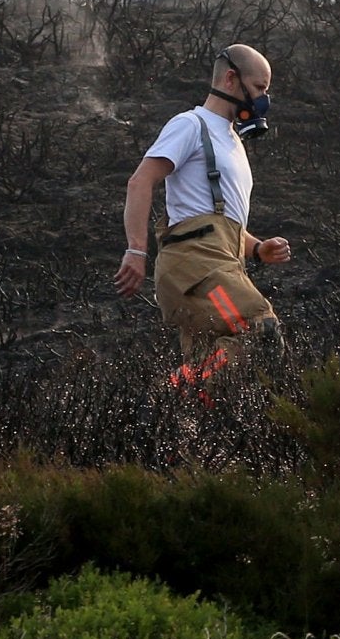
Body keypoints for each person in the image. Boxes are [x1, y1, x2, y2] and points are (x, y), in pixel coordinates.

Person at [116, 43, 292, 392]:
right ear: (231, 78)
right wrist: (136, 250)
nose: (262, 100)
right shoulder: (190, 125)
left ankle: (169, 419)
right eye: (259, 89)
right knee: (261, 333)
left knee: (214, 385)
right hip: (196, 269)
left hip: (219, 265)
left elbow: (214, 218)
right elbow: (140, 181)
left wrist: (257, 249)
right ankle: (168, 395)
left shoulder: (232, 143)